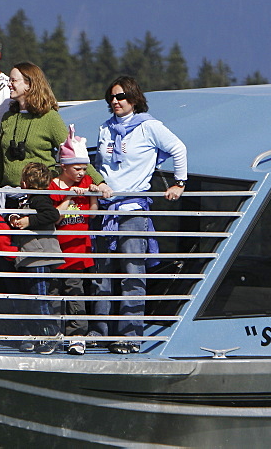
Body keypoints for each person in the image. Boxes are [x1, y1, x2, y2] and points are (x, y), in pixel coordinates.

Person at [91, 75, 187, 354]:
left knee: (133, 273)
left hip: (133, 209)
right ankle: (100, 331)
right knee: (102, 273)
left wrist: (179, 184)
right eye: (112, 97)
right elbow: (99, 165)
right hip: (107, 209)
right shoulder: (105, 129)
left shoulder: (149, 126)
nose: (116, 101)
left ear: (133, 98)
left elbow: (178, 148)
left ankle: (130, 335)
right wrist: (98, 186)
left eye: (121, 96)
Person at [0, 62, 111, 195]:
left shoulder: (49, 118)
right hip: (7, 196)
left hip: (40, 196)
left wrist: (100, 183)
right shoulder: (8, 117)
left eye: (14, 80)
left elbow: (75, 153)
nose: (9, 84)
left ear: (30, 84)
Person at [47, 127, 97, 355]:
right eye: (76, 168)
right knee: (55, 294)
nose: (81, 173)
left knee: (75, 293)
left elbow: (93, 214)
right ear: (63, 166)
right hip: (57, 250)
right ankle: (55, 333)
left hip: (77, 250)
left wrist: (92, 195)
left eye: (84, 168)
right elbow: (55, 215)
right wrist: (69, 196)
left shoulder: (86, 183)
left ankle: (78, 335)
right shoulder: (53, 187)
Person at [7, 162, 64, 355]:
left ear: (24, 182)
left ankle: (52, 334)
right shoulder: (29, 200)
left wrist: (29, 220)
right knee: (33, 298)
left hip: (39, 257)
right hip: (31, 256)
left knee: (39, 299)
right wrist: (15, 217)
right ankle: (39, 334)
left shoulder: (39, 199)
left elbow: (52, 214)